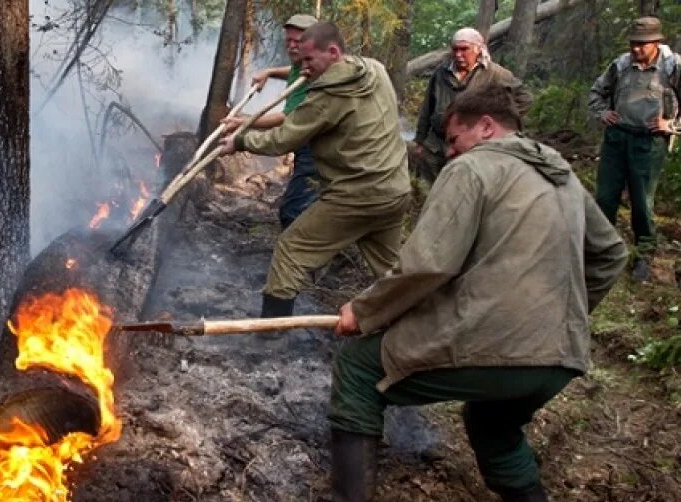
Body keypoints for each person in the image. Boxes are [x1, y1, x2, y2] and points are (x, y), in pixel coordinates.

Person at [325, 85, 627, 502]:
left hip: (497, 350)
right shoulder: (561, 174)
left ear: (485, 125)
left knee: (359, 367)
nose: (449, 149)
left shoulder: (473, 167)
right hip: (561, 357)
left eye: (454, 135)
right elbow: (611, 255)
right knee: (494, 425)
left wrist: (365, 310)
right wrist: (561, 315)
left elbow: (429, 263)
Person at [220, 22, 412, 318]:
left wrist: (241, 140)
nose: (303, 66)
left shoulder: (328, 96)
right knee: (392, 271)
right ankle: (415, 322)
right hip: (394, 191)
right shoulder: (374, 69)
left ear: (333, 52)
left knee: (290, 250)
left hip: (356, 196)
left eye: (309, 60)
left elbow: (283, 140)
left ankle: (271, 331)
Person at [588, 16, 681, 282]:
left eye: (642, 44)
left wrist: (672, 125)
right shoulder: (621, 64)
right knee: (605, 198)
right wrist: (604, 113)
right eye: (633, 43)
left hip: (649, 142)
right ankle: (601, 251)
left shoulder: (675, 67)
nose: (636, 49)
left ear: (657, 43)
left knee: (641, 202)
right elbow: (597, 92)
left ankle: (644, 256)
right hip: (617, 138)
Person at [222, 14, 319, 230]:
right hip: (311, 146)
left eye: (299, 41)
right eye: (289, 41)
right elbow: (291, 72)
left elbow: (287, 118)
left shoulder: (312, 74)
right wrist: (270, 72)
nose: (292, 47)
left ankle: (295, 257)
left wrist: (242, 122)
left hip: (317, 152)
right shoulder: (303, 62)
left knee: (293, 212)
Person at [411, 27, 533, 183]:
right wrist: (420, 140)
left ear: (478, 49)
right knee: (431, 185)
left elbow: (525, 98)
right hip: (436, 144)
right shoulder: (441, 73)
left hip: (470, 145)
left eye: (464, 49)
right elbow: (427, 108)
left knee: (463, 185)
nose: (458, 54)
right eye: (455, 49)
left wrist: (498, 118)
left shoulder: (495, 74)